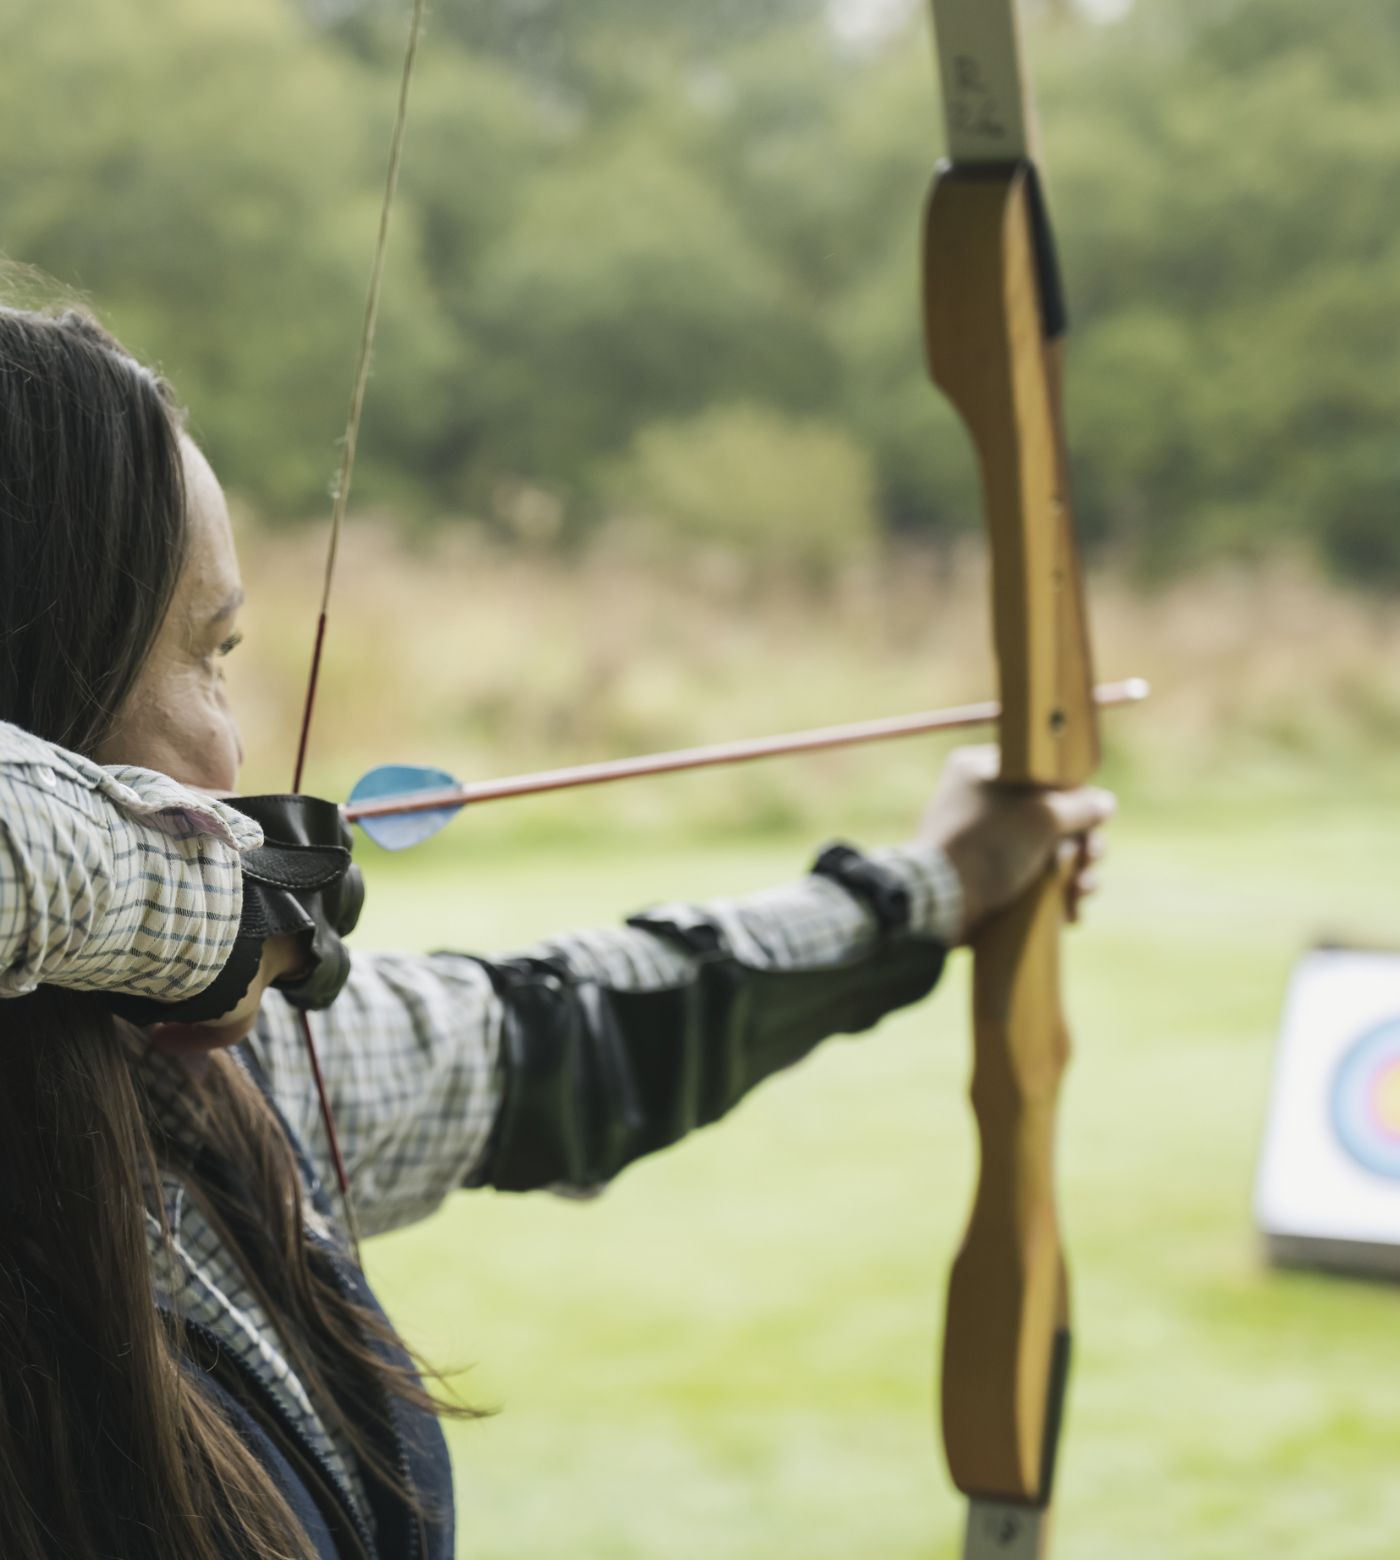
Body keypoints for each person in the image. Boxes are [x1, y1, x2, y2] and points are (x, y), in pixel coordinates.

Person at [0, 305, 1114, 1560]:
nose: (234, 753)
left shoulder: (211, 1097)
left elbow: (568, 1032)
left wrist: (924, 890)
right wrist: (204, 903)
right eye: (205, 654)